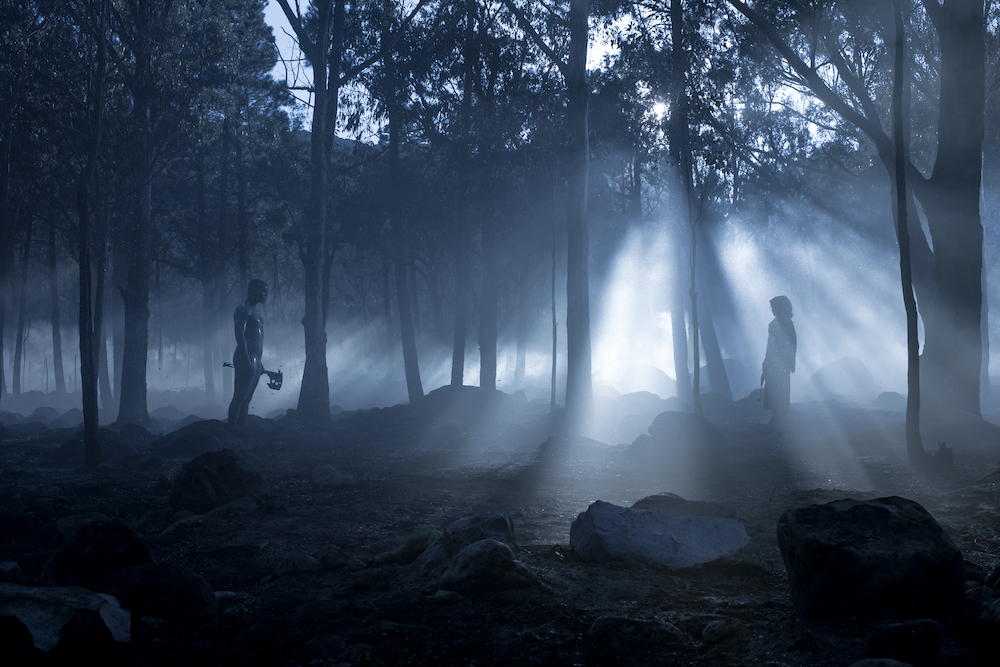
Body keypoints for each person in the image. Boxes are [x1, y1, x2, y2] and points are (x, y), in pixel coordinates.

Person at [228, 279, 267, 427]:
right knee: (239, 397)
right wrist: (247, 359)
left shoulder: (256, 312)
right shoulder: (243, 309)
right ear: (254, 290)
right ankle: (232, 431)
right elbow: (240, 335)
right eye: (263, 291)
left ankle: (241, 430)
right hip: (245, 357)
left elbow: (257, 339)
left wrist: (259, 362)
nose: (266, 295)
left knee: (247, 398)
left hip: (255, 360)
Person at [761, 295, 796, 426]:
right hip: (775, 361)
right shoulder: (776, 324)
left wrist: (791, 361)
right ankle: (777, 416)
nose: (772, 310)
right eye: (772, 308)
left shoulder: (785, 324)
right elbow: (770, 345)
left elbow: (792, 343)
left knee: (780, 388)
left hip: (781, 362)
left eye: (774, 307)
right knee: (774, 388)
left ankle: (779, 416)